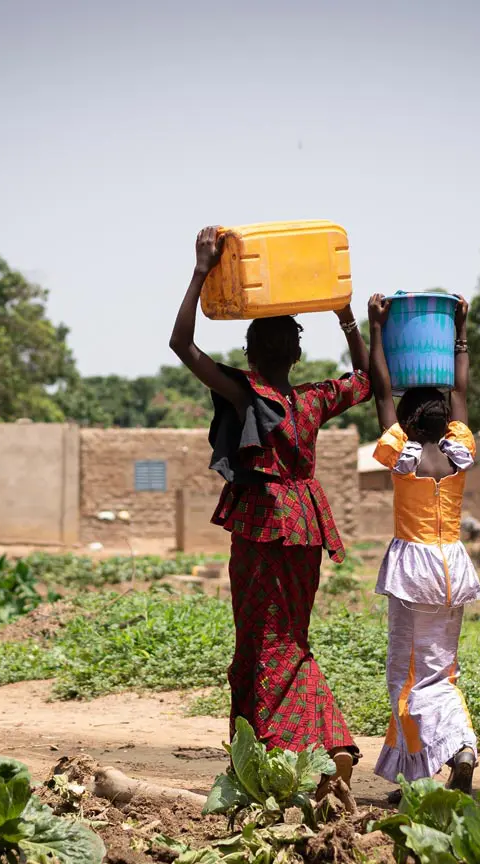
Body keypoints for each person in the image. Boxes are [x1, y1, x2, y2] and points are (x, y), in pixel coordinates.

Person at [169, 225, 372, 811]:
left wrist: (202, 270)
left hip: (262, 523)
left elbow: (183, 346)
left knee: (263, 643)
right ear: (297, 355)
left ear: (251, 353)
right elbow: (364, 380)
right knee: (293, 639)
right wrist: (347, 318)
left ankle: (294, 750)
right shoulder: (309, 400)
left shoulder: (246, 392)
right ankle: (314, 745)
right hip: (305, 523)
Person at [365, 292, 480, 798]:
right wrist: (459, 331)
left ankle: (438, 761)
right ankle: (440, 758)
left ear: (407, 425)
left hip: (414, 569)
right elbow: (460, 392)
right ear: (446, 424)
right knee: (442, 671)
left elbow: (381, 393)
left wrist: (375, 329)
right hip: (451, 565)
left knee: (406, 677)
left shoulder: (402, 456)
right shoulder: (460, 452)